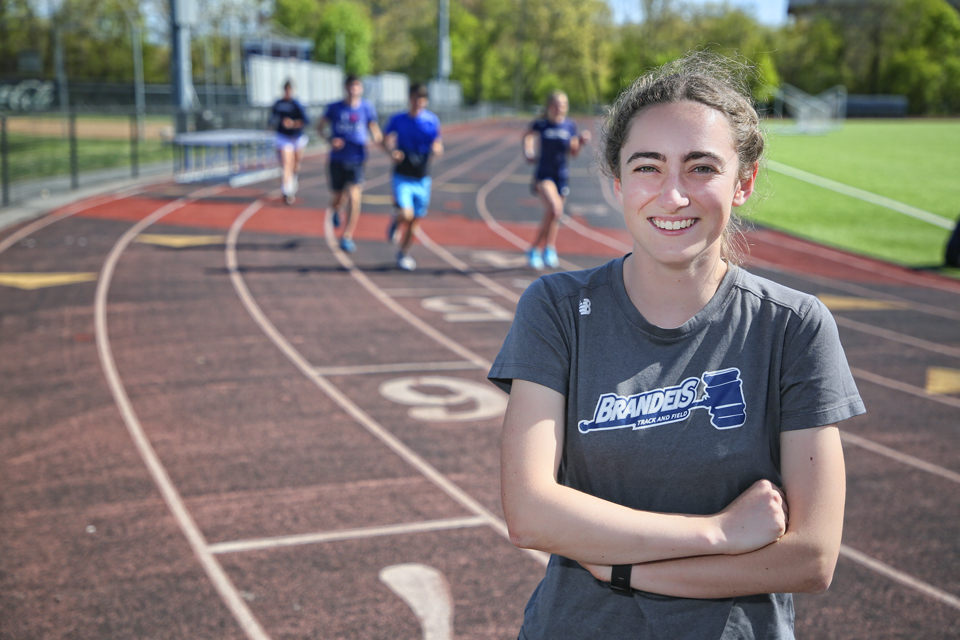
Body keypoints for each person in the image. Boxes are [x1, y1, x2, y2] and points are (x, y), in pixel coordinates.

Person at [489, 52, 866, 640]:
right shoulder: (557, 311)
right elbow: (530, 512)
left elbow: (811, 558)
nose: (672, 195)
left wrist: (622, 568)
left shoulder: (794, 327)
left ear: (744, 182)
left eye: (700, 168)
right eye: (648, 167)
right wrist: (716, 533)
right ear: (617, 181)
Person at [522, 91, 591, 270]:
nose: (559, 108)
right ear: (549, 106)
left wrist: (581, 142)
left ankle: (548, 248)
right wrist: (528, 152)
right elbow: (528, 136)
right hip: (543, 175)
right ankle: (535, 249)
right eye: (556, 104)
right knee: (555, 208)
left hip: (562, 175)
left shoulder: (569, 126)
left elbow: (573, 152)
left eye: (563, 104)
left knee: (554, 215)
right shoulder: (541, 124)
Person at [318, 75, 383, 253]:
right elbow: (319, 126)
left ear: (361, 89)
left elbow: (375, 129)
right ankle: (337, 210)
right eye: (350, 87)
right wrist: (330, 139)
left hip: (357, 159)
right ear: (345, 88)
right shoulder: (334, 107)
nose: (354, 90)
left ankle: (347, 236)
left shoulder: (367, 107)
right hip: (337, 159)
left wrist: (379, 140)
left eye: (357, 87)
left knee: (355, 197)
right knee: (338, 198)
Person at [383, 83, 443, 271]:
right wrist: (392, 151)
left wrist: (436, 149)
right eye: (416, 99)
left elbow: (438, 143)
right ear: (409, 99)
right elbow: (384, 138)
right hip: (402, 175)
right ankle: (398, 219)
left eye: (422, 100)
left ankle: (403, 253)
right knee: (407, 215)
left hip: (422, 177)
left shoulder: (431, 121)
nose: (419, 103)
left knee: (415, 221)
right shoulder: (399, 119)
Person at [270, 80, 310, 205]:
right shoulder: (278, 103)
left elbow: (306, 121)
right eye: (286, 90)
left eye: (290, 90)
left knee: (295, 164)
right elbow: (272, 119)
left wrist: (293, 124)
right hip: (283, 137)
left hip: (297, 137)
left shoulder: (297, 104)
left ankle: (293, 180)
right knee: (287, 163)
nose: (288, 92)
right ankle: (287, 191)